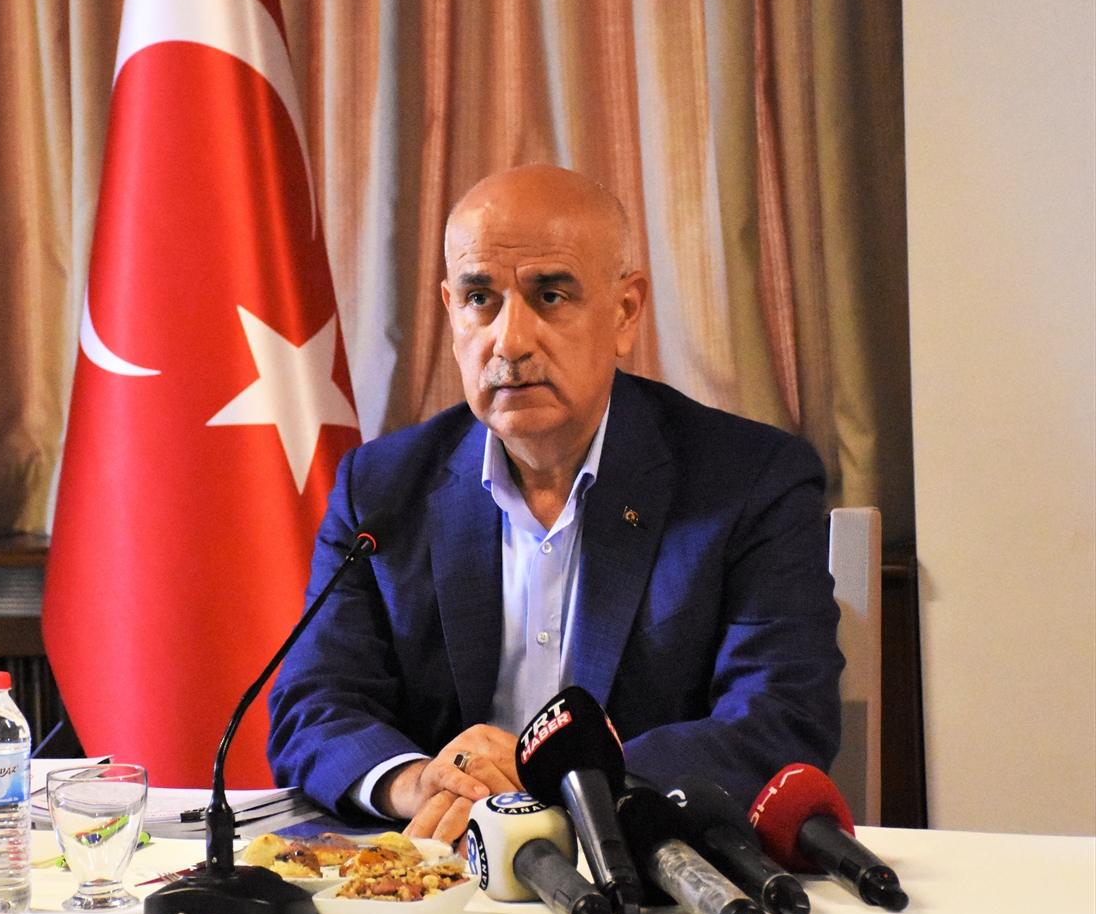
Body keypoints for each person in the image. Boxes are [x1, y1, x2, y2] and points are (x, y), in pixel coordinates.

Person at [268, 165, 842, 842]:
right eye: (480, 298)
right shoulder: (382, 486)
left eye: (550, 295)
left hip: (647, 868)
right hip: (443, 870)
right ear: (451, 312)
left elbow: (780, 715)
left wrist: (563, 777)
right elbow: (314, 702)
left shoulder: (750, 480)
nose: (509, 341)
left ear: (625, 312)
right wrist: (418, 781)